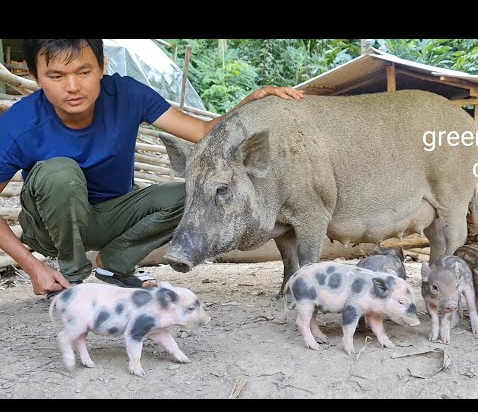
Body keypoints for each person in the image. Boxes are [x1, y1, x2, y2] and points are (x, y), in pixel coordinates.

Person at [0, 39, 304, 297]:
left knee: (195, 197)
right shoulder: (19, 123)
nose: (73, 87)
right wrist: (32, 266)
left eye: (84, 71)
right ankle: (74, 282)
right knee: (60, 174)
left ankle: (114, 263)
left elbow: (201, 131)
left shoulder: (128, 95)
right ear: (36, 76)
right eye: (56, 76)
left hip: (115, 214)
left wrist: (248, 102)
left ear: (102, 67)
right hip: (49, 228)